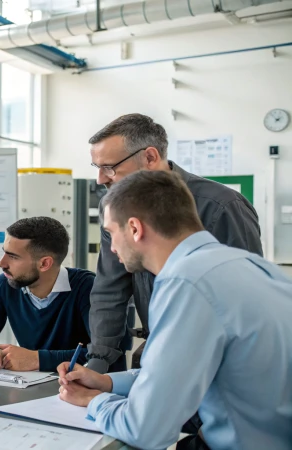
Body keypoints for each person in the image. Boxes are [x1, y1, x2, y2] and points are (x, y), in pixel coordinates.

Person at [56, 171, 292, 450]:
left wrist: (93, 401)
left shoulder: (186, 282)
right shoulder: (253, 266)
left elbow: (146, 430)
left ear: (134, 228)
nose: (112, 246)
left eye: (110, 232)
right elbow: (171, 372)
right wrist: (106, 382)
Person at [85, 113, 262, 373]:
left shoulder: (221, 206)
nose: (101, 179)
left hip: (215, 359)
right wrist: (98, 360)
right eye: (96, 167)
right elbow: (109, 286)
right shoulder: (111, 205)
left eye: (109, 167)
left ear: (150, 157)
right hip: (157, 352)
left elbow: (248, 298)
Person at [0, 217, 105, 373]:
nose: (1, 264)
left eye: (13, 257)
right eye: (4, 253)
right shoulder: (4, 285)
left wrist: (37, 359)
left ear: (44, 264)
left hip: (84, 390)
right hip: (30, 387)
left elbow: (103, 355)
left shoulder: (88, 288)